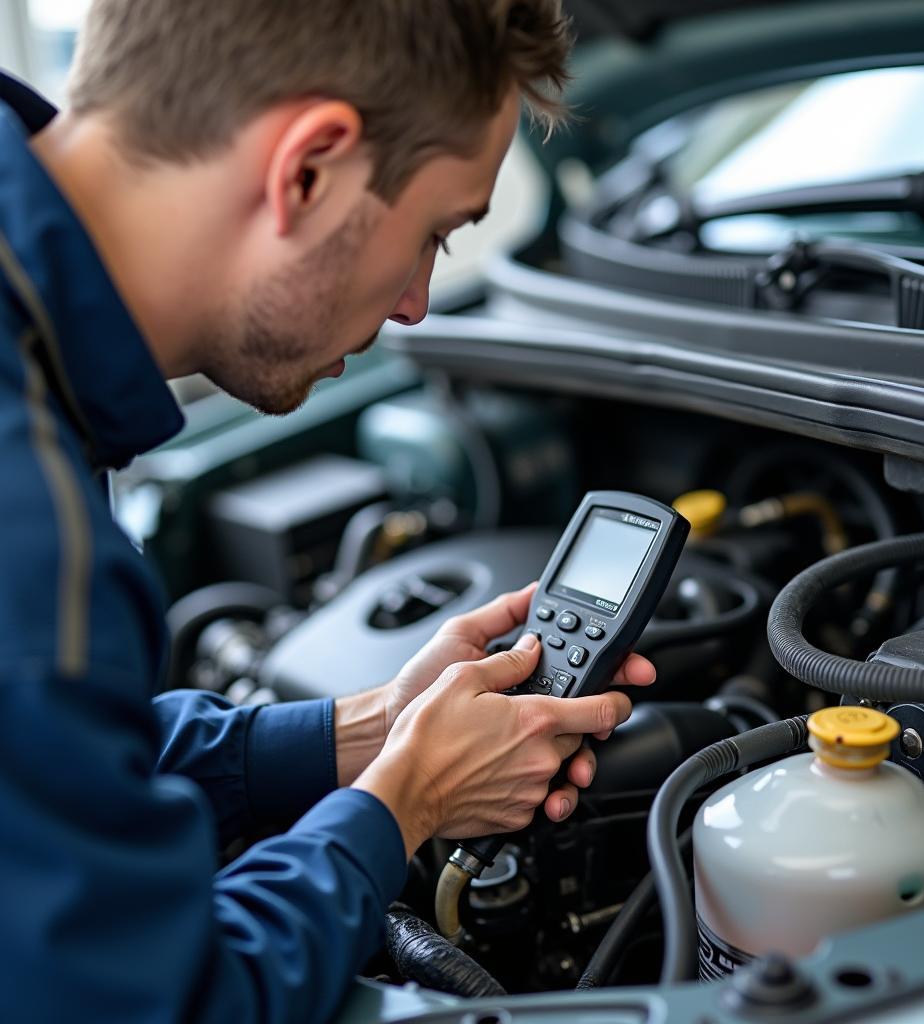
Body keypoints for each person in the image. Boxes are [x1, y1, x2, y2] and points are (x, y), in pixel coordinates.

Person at [0, 2, 658, 1021]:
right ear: (308, 170)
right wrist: (400, 807)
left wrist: (369, 729)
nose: (417, 306)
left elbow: (53, 766)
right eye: (434, 232)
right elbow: (159, 1004)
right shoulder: (26, 524)